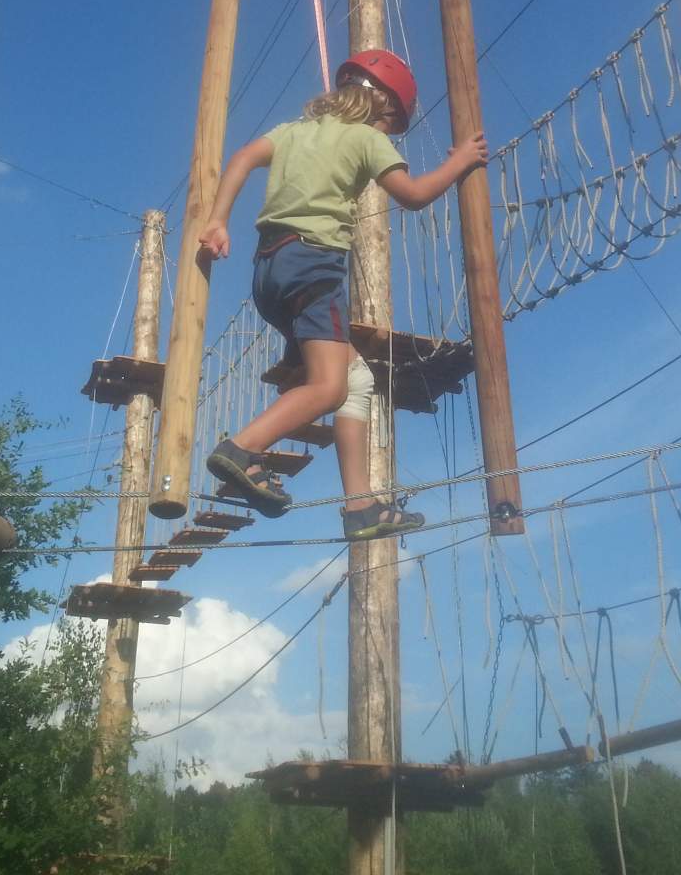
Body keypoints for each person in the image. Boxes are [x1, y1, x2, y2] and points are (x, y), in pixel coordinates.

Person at [197, 49, 489, 541]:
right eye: (393, 121)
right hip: (314, 266)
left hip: (269, 273)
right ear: (385, 108)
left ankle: (361, 507)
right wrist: (460, 163)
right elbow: (413, 196)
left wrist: (218, 219)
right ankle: (242, 450)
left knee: (354, 378)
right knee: (329, 387)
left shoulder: (292, 132)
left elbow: (243, 158)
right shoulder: (367, 139)